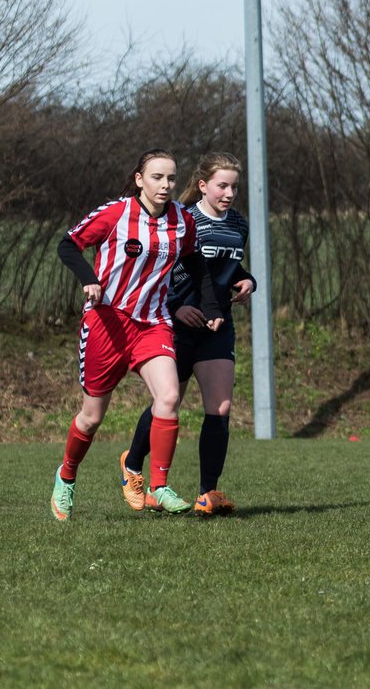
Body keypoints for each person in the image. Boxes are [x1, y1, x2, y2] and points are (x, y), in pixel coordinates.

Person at [50, 149, 224, 521]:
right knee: (92, 417)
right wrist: (90, 280)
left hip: (153, 323)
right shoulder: (116, 213)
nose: (165, 185)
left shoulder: (181, 219)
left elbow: (196, 262)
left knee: (170, 396)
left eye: (172, 178)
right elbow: (69, 245)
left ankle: (158, 486)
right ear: (139, 179)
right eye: (158, 177)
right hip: (107, 324)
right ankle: (66, 477)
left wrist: (211, 308)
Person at [120, 152, 256, 516]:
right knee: (168, 403)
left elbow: (227, 265)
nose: (229, 193)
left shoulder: (239, 224)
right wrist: (178, 307)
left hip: (216, 326)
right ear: (202, 186)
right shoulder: (183, 220)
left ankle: (207, 494)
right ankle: (132, 465)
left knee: (221, 407)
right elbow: (158, 270)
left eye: (234, 187)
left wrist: (247, 280)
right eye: (222, 185)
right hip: (175, 324)